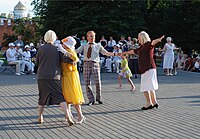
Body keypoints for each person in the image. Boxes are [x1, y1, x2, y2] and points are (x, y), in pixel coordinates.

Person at [36, 30, 74, 126]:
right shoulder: (57, 49)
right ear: (54, 38)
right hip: (55, 76)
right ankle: (67, 116)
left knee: (42, 97)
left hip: (42, 76)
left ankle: (40, 116)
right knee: (60, 97)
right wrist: (72, 60)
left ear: (45, 38)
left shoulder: (40, 49)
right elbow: (66, 59)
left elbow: (37, 62)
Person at [124, 31, 164, 110]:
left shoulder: (148, 44)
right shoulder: (141, 47)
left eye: (139, 38)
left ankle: (149, 103)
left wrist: (158, 39)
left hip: (148, 68)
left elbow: (153, 42)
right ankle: (154, 102)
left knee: (145, 87)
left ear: (142, 38)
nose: (138, 40)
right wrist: (124, 53)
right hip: (149, 68)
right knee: (150, 86)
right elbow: (134, 51)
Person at [75, 31, 118, 105]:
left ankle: (99, 98)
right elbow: (76, 51)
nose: (92, 38)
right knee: (87, 82)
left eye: (93, 36)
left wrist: (115, 54)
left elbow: (106, 53)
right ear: (87, 37)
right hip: (86, 63)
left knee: (97, 82)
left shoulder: (98, 45)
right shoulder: (84, 45)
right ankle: (91, 99)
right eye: (90, 36)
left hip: (95, 64)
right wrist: (66, 51)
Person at [58, 36, 85, 124]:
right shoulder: (68, 52)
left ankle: (80, 115)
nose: (62, 45)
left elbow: (73, 58)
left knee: (74, 96)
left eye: (64, 44)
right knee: (66, 97)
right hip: (65, 76)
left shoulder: (70, 52)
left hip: (71, 76)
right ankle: (68, 115)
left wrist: (63, 50)